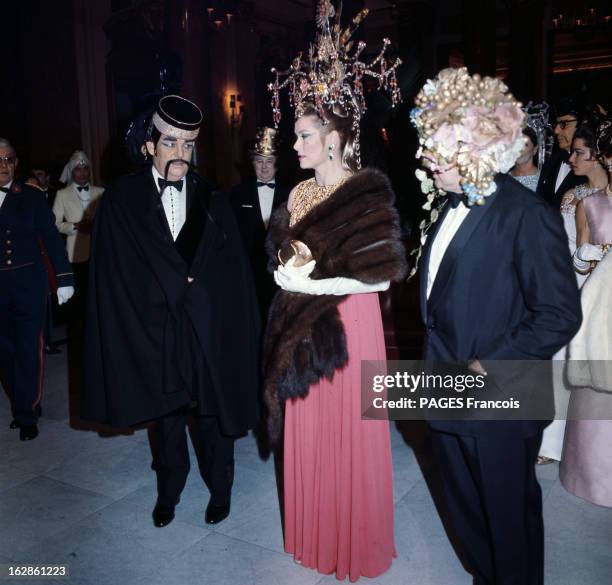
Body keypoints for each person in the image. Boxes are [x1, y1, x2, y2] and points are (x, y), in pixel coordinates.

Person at [410, 67, 582, 585]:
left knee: (510, 524)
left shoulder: (527, 214)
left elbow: (559, 313)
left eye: (432, 146)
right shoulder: (447, 208)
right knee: (469, 516)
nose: (422, 157)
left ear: (469, 147)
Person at [263, 3, 405, 580]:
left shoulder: (368, 191)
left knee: (348, 432)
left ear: (336, 138)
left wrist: (311, 280)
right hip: (303, 324)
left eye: (303, 136)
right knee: (306, 421)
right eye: (294, 134)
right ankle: (315, 535)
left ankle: (354, 541)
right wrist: (284, 275)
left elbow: (380, 274)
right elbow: (285, 258)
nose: (293, 145)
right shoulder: (296, 195)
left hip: (351, 324)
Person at [81, 95, 260, 528]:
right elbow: (113, 274)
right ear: (148, 145)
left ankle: (221, 490)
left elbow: (233, 276)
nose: (180, 154)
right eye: (170, 143)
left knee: (212, 412)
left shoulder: (213, 200)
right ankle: (169, 490)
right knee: (167, 415)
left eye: (188, 144)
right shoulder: (121, 201)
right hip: (154, 328)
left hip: (204, 330)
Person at [0, 138, 74, 441]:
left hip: (29, 284)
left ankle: (27, 412)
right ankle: (22, 400)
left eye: (9, 159)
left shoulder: (30, 197)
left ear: (16, 164)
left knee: (29, 347)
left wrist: (65, 278)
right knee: (5, 352)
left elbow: (52, 239)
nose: (3, 165)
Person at [561, 117, 612, 507]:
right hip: (601, 299)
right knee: (597, 378)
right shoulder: (589, 202)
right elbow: (580, 259)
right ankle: (589, 473)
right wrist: (585, 257)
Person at [230, 127, 289, 317]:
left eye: (269, 161)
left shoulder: (290, 196)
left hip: (281, 275)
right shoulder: (237, 195)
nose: (264, 167)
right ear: (252, 163)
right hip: (247, 274)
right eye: (259, 161)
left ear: (277, 165)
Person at [53, 151, 104, 327]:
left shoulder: (101, 192)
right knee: (80, 296)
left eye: (85, 169)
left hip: (99, 251)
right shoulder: (62, 195)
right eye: (78, 169)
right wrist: (75, 227)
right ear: (71, 172)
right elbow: (55, 224)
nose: (82, 173)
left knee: (98, 293)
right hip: (75, 253)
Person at [537, 97, 587, 206]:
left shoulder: (592, 166)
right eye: (556, 124)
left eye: (563, 124)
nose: (556, 131)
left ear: (583, 123)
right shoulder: (551, 161)